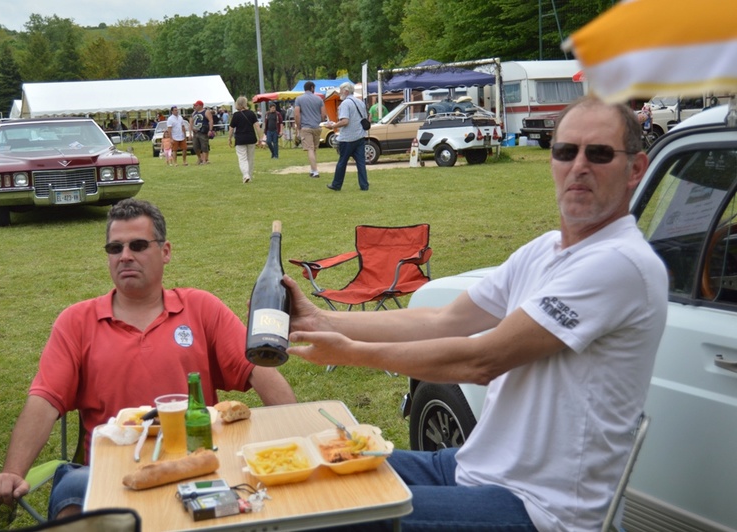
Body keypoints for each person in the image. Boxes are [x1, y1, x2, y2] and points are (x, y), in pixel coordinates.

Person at [285, 96, 668, 531]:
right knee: (315, 476)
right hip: (475, 467)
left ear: (635, 169)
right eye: (565, 151)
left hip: (541, 508)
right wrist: (322, 320)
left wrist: (350, 351)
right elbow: (442, 320)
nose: (578, 165)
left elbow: (480, 360)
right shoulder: (545, 250)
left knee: (338, 514)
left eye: (598, 154)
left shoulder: (620, 263)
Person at [0, 198, 297, 520]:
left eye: (138, 245)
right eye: (115, 248)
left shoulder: (200, 308)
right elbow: (44, 402)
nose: (125, 256)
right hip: (107, 473)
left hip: (195, 463)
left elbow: (259, 370)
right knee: (73, 495)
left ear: (165, 252)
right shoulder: (78, 321)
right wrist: (12, 472)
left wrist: (295, 440)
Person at [325, 82, 369, 192]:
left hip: (348, 138)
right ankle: (364, 185)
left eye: (341, 90)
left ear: (346, 91)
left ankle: (336, 184)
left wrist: (333, 125)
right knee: (361, 163)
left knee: (342, 162)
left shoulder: (345, 104)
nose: (340, 93)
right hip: (360, 136)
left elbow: (345, 121)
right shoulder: (360, 102)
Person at [294, 81, 327, 178]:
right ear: (312, 88)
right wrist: (319, 121)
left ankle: (315, 171)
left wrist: (298, 126)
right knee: (314, 149)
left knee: (310, 149)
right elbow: (323, 114)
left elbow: (297, 114)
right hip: (317, 127)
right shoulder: (319, 99)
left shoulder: (299, 99)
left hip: (306, 126)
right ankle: (313, 169)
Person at [228, 96, 262, 184]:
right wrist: (260, 138)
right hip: (251, 138)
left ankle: (246, 175)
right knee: (250, 158)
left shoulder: (236, 115)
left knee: (242, 158)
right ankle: (249, 176)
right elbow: (257, 126)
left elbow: (231, 128)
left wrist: (229, 138)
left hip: (240, 139)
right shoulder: (251, 113)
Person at [189, 100, 214, 165]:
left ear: (200, 105)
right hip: (195, 132)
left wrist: (210, 130)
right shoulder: (194, 113)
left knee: (204, 146)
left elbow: (210, 120)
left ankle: (204, 160)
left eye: (196, 105)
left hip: (203, 131)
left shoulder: (206, 112)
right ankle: (200, 158)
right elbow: (191, 122)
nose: (195, 107)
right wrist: (190, 132)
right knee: (195, 147)